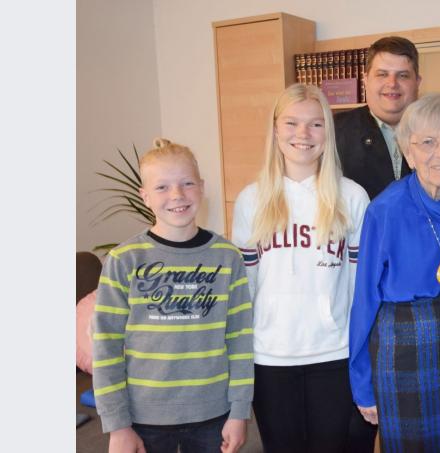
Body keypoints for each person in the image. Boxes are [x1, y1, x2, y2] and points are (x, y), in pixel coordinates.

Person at [349, 93, 440, 452]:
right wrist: (363, 383)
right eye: (427, 143)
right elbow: (365, 298)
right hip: (405, 350)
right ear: (409, 153)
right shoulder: (384, 209)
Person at [92, 138, 254, 453]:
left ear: (202, 188)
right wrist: (118, 425)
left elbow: (240, 338)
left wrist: (239, 412)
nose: (177, 195)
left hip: (213, 415)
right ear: (145, 197)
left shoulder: (227, 256)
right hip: (143, 419)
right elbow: (106, 346)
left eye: (187, 183)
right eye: (162, 187)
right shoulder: (124, 260)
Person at [232, 83, 370, 453]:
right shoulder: (251, 200)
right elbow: (244, 289)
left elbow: (360, 290)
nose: (303, 135)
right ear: (276, 129)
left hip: (333, 355)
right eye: (292, 123)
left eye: (316, 124)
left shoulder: (352, 197)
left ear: (328, 131)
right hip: (270, 357)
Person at [335, 35, 440, 201]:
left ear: (417, 81)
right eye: (382, 74)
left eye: (403, 75)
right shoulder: (335, 131)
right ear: (366, 80)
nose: (392, 83)